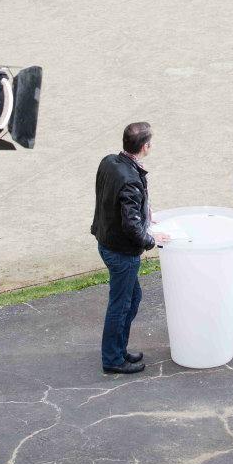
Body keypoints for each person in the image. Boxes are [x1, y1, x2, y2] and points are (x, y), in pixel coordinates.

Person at [91, 122, 169, 374]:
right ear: (145, 146)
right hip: (121, 252)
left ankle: (118, 350)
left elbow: (117, 202)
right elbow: (131, 226)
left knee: (132, 299)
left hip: (107, 242)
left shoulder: (109, 162)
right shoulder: (130, 180)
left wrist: (145, 213)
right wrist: (152, 240)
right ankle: (113, 358)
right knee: (122, 304)